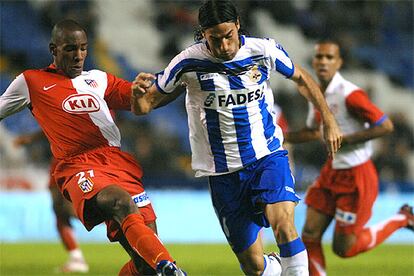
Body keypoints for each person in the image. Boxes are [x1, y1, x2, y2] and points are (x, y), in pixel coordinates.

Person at [130, 1, 343, 275]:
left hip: (267, 156)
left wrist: (328, 118)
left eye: (228, 36)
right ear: (203, 34)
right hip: (222, 173)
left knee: (284, 224)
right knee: (253, 266)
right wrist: (137, 97)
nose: (224, 46)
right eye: (214, 39)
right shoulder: (187, 62)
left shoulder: (263, 50)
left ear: (238, 25)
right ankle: (277, 267)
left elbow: (302, 78)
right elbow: (145, 107)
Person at [0, 19, 186, 276]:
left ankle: (160, 265)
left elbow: (142, 102)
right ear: (53, 49)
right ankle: (171, 268)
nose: (79, 56)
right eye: (70, 49)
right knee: (120, 202)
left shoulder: (99, 79)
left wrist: (169, 83)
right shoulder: (31, 81)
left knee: (144, 261)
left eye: (83, 48)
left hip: (117, 163)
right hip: (78, 166)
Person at [284, 40, 414, 276]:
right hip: (332, 171)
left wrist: (347, 139)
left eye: (329, 57)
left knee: (344, 248)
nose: (323, 61)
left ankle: (402, 218)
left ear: (339, 63)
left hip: (356, 176)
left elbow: (386, 126)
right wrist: (282, 137)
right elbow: (315, 132)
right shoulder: (317, 94)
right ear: (313, 61)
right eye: (319, 57)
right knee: (310, 233)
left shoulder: (350, 95)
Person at [14, 131, 89, 273]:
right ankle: (76, 258)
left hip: (68, 158)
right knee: (62, 211)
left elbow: (53, 122)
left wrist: (30, 137)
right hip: (79, 158)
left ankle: (77, 258)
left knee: (63, 209)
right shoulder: (103, 110)